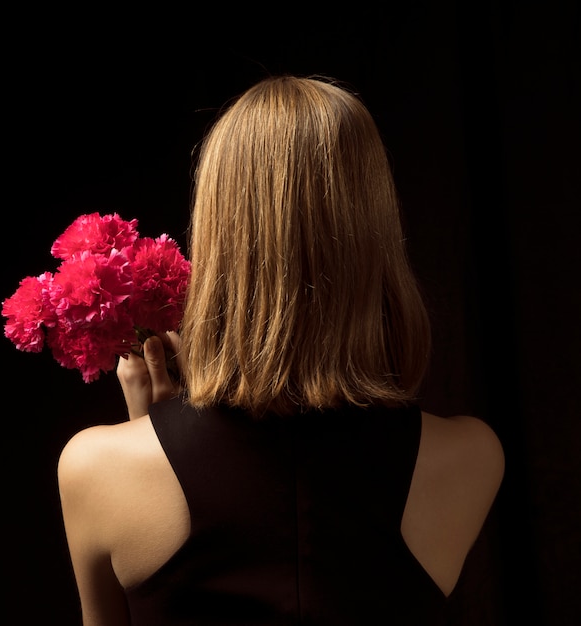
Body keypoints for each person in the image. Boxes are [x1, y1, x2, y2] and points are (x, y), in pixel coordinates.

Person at [58, 75, 505, 626]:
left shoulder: (93, 468)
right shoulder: (473, 456)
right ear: (376, 230)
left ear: (219, 234)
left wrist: (150, 436)